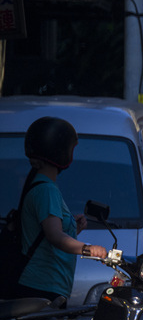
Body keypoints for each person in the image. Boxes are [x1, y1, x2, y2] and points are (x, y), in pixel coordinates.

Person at [15, 117, 108, 302]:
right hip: (41, 287)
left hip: (45, 286)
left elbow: (50, 232)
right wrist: (89, 249)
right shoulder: (46, 190)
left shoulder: (42, 186)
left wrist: (73, 228)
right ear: (62, 152)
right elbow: (54, 236)